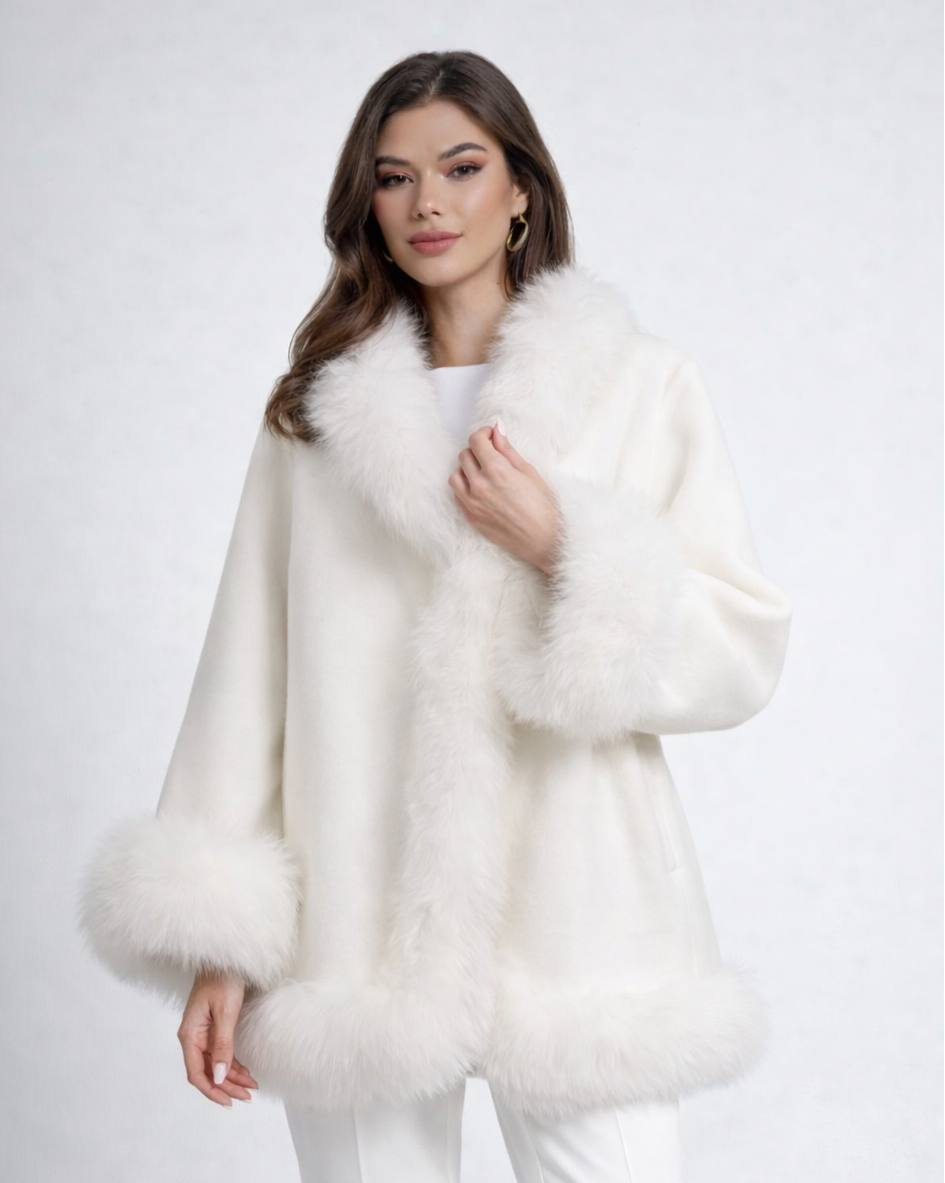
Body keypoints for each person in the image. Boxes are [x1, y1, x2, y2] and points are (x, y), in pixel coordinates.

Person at [75, 49, 793, 1183]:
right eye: (393, 176)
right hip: (356, 919)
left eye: (462, 168)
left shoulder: (640, 387)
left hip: (580, 913)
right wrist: (219, 940)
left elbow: (739, 648)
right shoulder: (314, 421)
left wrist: (563, 544)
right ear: (366, 203)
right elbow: (245, 681)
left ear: (521, 192)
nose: (427, 203)